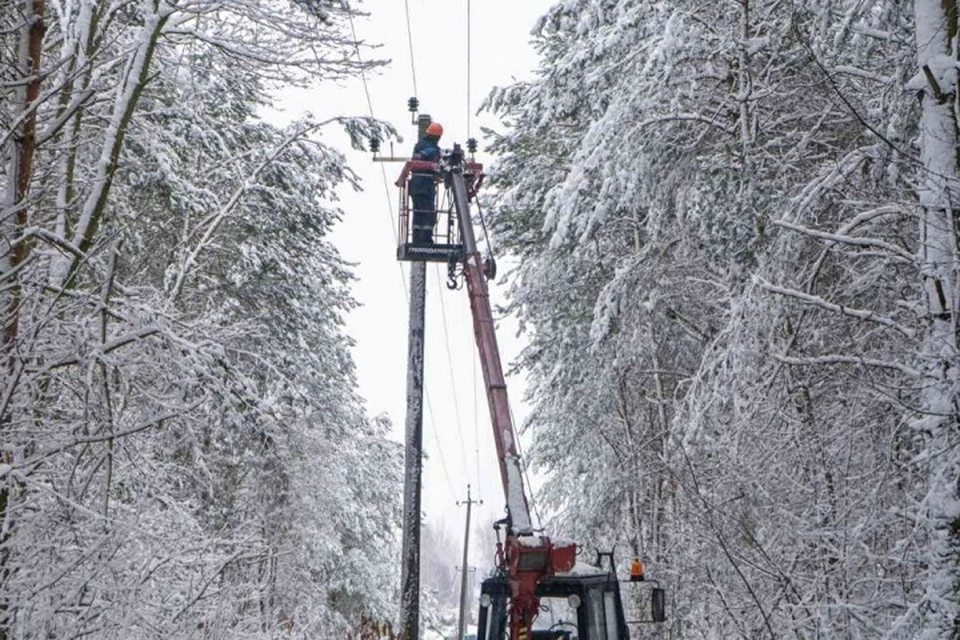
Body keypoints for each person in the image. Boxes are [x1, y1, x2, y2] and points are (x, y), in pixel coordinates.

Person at [409, 122, 443, 244]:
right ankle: (425, 239)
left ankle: (417, 238)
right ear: (437, 137)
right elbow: (436, 165)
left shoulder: (419, 146)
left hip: (416, 185)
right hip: (424, 185)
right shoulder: (433, 150)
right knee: (428, 212)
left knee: (418, 212)